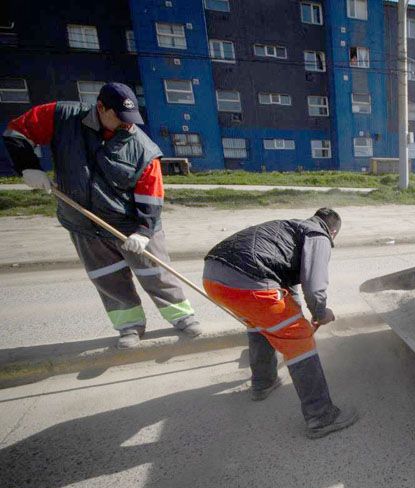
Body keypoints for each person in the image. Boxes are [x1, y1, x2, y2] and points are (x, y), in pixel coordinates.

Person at [2, 82, 201, 348]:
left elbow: (151, 196)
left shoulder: (143, 148)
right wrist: (28, 166)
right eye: (119, 118)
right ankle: (130, 326)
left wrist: (143, 232)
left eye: (131, 120)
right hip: (84, 224)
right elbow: (16, 131)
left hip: (131, 223)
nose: (126, 125)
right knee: (108, 277)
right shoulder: (62, 117)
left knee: (155, 272)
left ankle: (183, 317)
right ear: (101, 107)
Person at [202, 208, 358, 439]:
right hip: (250, 281)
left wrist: (304, 313)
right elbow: (315, 286)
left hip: (214, 278)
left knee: (260, 322)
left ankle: (263, 382)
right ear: (333, 232)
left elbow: (288, 288)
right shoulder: (318, 236)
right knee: (299, 339)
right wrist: (321, 312)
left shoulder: (290, 229)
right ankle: (321, 417)